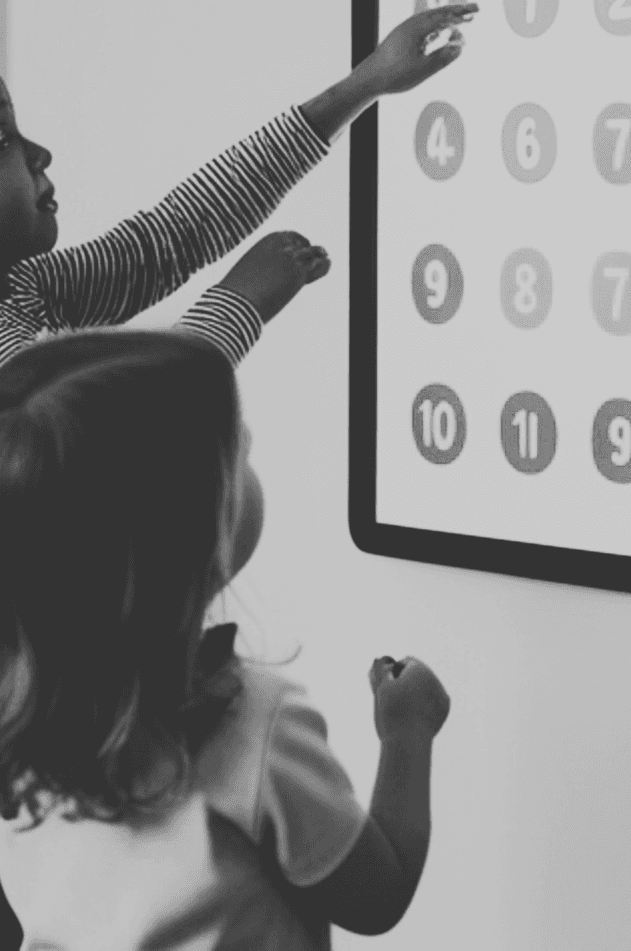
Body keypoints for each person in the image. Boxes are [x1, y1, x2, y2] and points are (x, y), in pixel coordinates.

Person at [0, 328, 451, 947]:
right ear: (190, 536)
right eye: (240, 455)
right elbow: (377, 897)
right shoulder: (259, 723)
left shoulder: (12, 725)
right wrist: (408, 732)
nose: (249, 460)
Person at [0, 1, 476, 369]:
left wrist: (365, 83)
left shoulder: (22, 289)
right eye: (3, 139)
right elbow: (118, 430)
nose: (38, 154)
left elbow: (174, 236)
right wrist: (240, 302)